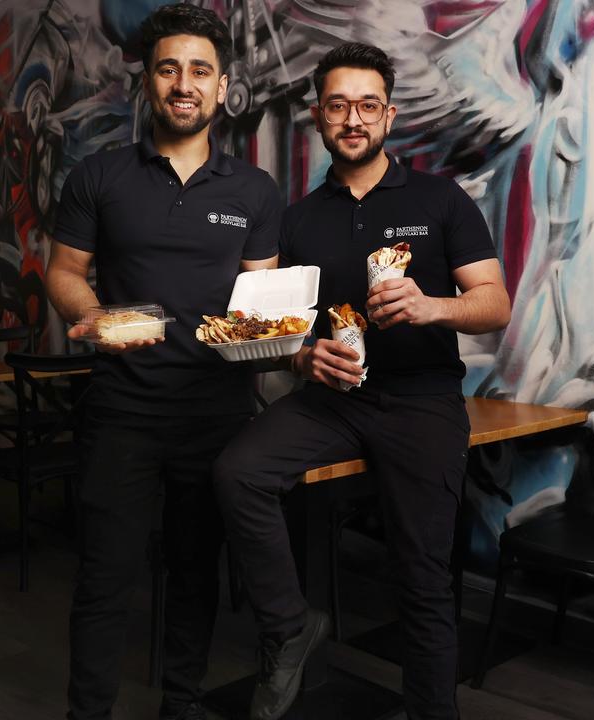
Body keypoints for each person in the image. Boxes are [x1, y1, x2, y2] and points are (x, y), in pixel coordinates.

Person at [213, 42, 512, 720]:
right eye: (339, 105)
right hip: (333, 401)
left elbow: (494, 303)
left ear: (389, 115)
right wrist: (300, 356)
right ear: (319, 115)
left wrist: (431, 305)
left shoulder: (440, 198)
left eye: (368, 105)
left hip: (422, 402)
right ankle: (291, 626)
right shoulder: (298, 219)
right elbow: (255, 332)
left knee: (422, 579)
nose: (354, 118)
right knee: (237, 472)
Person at [45, 5, 281, 719]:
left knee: (192, 573)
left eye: (200, 71)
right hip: (122, 410)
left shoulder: (255, 191)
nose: (185, 84)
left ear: (222, 87)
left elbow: (260, 299)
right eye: (169, 69)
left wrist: (269, 333)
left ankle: (182, 705)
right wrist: (97, 320)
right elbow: (63, 270)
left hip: (216, 412)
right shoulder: (98, 176)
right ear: (145, 82)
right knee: (104, 577)